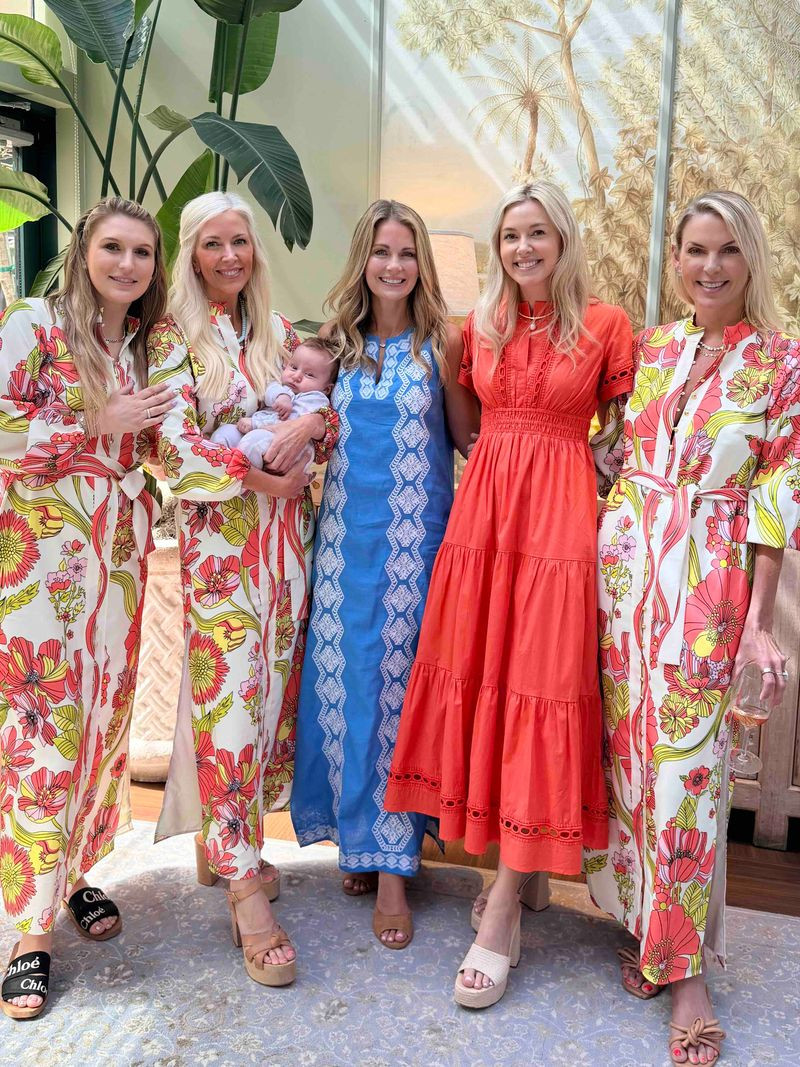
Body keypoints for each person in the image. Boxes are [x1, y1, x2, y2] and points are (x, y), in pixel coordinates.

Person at [384, 181, 634, 1006]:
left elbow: (627, 430)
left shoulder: (605, 325)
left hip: (559, 522)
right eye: (510, 236)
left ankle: (501, 910)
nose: (523, 248)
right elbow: (466, 428)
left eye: (537, 233)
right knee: (486, 680)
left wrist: (596, 466)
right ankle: (519, 874)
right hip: (485, 516)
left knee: (540, 685)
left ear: (563, 240)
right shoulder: (478, 326)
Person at [584, 190, 800, 1065]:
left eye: (727, 250)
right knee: (627, 757)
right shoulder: (654, 347)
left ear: (751, 260)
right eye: (695, 250)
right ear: (675, 259)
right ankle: (644, 928)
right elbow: (617, 447)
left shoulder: (782, 362)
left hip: (708, 579)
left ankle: (686, 974)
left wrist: (757, 623)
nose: (709, 267)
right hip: (624, 569)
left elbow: (777, 499)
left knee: (686, 769)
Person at [148, 191, 338, 988]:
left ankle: (231, 842)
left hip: (284, 550)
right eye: (213, 243)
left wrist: (310, 431)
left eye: (241, 242)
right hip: (220, 550)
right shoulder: (169, 338)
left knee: (266, 706)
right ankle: (242, 888)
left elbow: (323, 413)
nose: (230, 256)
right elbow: (171, 447)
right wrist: (260, 476)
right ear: (191, 253)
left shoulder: (279, 331)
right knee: (229, 703)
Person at [290, 199, 479, 949]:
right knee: (346, 691)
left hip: (413, 550)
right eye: (381, 251)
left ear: (421, 263)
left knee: (398, 698)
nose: (393, 265)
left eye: (406, 252)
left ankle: (395, 866)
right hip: (341, 545)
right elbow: (296, 424)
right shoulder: (333, 344)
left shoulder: (443, 346)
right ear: (363, 261)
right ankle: (358, 840)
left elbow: (468, 440)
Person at [0, 197, 171, 1018]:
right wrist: (90, 418)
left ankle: (73, 874)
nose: (127, 264)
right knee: (43, 728)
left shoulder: (142, 346)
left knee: (103, 720)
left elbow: (160, 442)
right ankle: (29, 931)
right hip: (41, 562)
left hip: (120, 561)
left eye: (142, 252)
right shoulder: (33, 325)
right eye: (114, 247)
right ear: (83, 250)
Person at [210, 336, 337, 471]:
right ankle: (217, 473)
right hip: (260, 433)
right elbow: (270, 388)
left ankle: (244, 478)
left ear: (326, 389)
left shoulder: (315, 399)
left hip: (288, 446)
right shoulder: (283, 386)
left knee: (252, 442)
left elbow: (292, 424)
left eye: (309, 375)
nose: (296, 376)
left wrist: (255, 423)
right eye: (294, 367)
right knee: (224, 433)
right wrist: (281, 396)